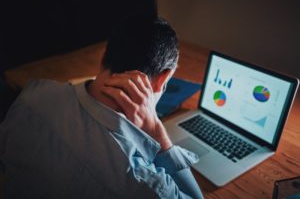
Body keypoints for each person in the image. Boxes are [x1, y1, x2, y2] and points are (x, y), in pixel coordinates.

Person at [0, 15, 204, 199]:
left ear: (105, 54)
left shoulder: (32, 96)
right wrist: (159, 135)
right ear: (163, 79)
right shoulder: (146, 184)